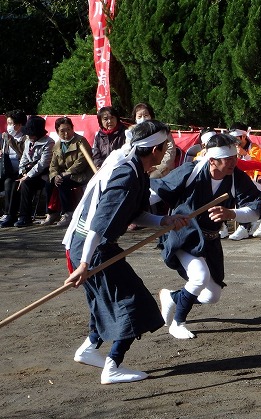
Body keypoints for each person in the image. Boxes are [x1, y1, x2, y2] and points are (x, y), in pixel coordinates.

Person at [64, 119, 189, 384]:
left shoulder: (138, 171)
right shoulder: (127, 175)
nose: (169, 148)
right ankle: (112, 366)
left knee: (104, 300)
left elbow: (135, 214)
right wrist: (85, 263)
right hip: (92, 247)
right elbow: (99, 224)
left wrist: (163, 221)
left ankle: (88, 349)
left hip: (92, 246)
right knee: (133, 302)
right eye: (166, 145)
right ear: (155, 149)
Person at [153, 133, 261, 339]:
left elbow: (256, 208)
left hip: (210, 239)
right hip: (184, 234)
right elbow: (157, 192)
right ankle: (178, 323)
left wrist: (232, 213)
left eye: (235, 157)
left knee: (211, 295)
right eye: (228, 159)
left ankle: (171, 297)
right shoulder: (192, 171)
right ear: (212, 160)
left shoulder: (236, 178)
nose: (234, 162)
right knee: (199, 276)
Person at [11, 116, 56, 227]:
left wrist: (28, 176)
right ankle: (11, 215)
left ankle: (24, 217)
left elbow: (43, 164)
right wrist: (22, 172)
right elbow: (24, 158)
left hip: (43, 174)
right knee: (15, 182)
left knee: (26, 183)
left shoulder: (49, 143)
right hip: (29, 171)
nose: (29, 136)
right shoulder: (27, 141)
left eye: (31, 134)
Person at [227, 122, 261, 240]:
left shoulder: (254, 148)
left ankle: (244, 226)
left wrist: (245, 155)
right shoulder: (230, 148)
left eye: (236, 138)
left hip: (255, 180)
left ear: (244, 137)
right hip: (238, 181)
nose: (234, 141)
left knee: (243, 191)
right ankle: (224, 226)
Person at [48, 117, 93, 227]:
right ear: (57, 132)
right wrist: (54, 175)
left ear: (73, 128)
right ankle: (52, 213)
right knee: (49, 182)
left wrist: (67, 173)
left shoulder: (80, 141)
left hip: (81, 175)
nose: (66, 133)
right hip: (65, 175)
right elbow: (53, 165)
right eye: (62, 131)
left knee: (63, 182)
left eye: (68, 129)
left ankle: (68, 213)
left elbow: (81, 162)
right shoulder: (57, 145)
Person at [130, 102, 177, 179]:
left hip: (160, 167)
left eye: (146, 115)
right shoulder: (131, 132)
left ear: (151, 116)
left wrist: (160, 166)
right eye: (139, 116)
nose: (143, 119)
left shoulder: (161, 130)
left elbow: (170, 150)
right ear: (135, 118)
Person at [0, 109, 28, 227]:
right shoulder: (6, 137)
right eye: (8, 123)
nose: (9, 126)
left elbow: (24, 156)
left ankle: (10, 215)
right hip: (8, 169)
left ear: (19, 125)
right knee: (7, 180)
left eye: (11, 124)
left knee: (10, 183)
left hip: (22, 171)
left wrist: (11, 142)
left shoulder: (25, 138)